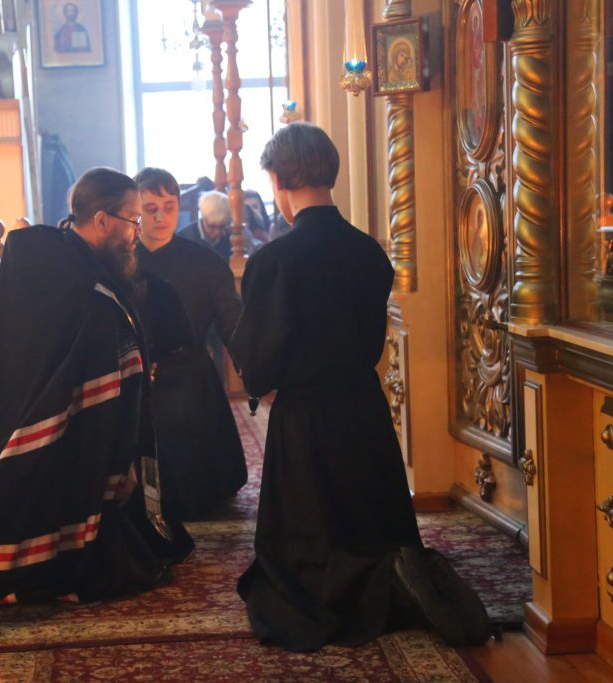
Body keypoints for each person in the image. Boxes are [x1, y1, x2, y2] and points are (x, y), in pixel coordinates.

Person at [232, 122, 488, 651]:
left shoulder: (273, 261)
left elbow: (257, 359)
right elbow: (371, 341)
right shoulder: (370, 252)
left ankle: (370, 585)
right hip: (363, 407)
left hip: (305, 416)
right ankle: (392, 575)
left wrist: (263, 380)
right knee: (370, 524)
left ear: (278, 180)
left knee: (304, 553)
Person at [0, 167, 192, 619]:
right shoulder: (84, 288)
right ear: (102, 220)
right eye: (133, 220)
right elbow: (90, 372)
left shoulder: (56, 257)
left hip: (5, 415)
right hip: (50, 437)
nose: (137, 232)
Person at [133, 167, 247, 521]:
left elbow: (232, 323)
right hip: (136, 381)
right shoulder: (119, 262)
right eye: (150, 208)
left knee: (200, 493)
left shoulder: (206, 263)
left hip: (191, 379)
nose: (160, 216)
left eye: (168, 207)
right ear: (135, 210)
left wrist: (255, 360)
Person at [177, 190, 259, 261]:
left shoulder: (231, 237)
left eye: (221, 227)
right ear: (203, 217)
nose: (217, 232)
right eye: (212, 226)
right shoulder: (184, 238)